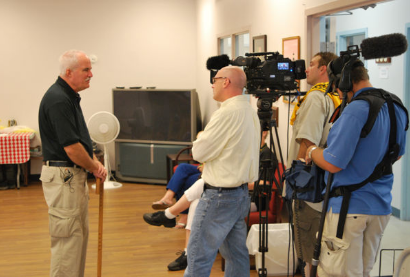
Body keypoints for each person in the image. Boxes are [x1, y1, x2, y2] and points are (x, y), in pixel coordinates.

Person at [305, 60, 408, 276]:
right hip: (380, 208)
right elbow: (396, 154)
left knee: (337, 272)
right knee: (363, 272)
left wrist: (313, 151)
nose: (339, 95)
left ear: (345, 82)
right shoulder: (396, 106)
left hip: (348, 208)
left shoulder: (356, 109)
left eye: (338, 88)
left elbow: (333, 163)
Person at [185, 66, 260, 277]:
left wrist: (200, 137)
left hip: (219, 197)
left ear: (226, 82)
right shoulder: (249, 112)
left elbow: (199, 152)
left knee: (198, 257)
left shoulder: (226, 113)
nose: (212, 84)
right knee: (236, 256)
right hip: (240, 196)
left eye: (215, 79)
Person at [38, 50, 107, 277]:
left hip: (70, 177)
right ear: (69, 72)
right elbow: (72, 148)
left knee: (76, 239)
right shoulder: (58, 99)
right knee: (67, 244)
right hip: (64, 177)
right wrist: (94, 167)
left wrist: (95, 161)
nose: (91, 74)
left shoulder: (69, 96)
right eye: (86, 70)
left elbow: (81, 140)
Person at [286, 52, 340, 276]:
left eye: (311, 64)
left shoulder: (316, 98)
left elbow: (307, 142)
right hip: (327, 184)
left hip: (309, 187)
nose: (306, 69)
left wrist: (296, 185)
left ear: (323, 69)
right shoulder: (337, 97)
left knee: (310, 254)